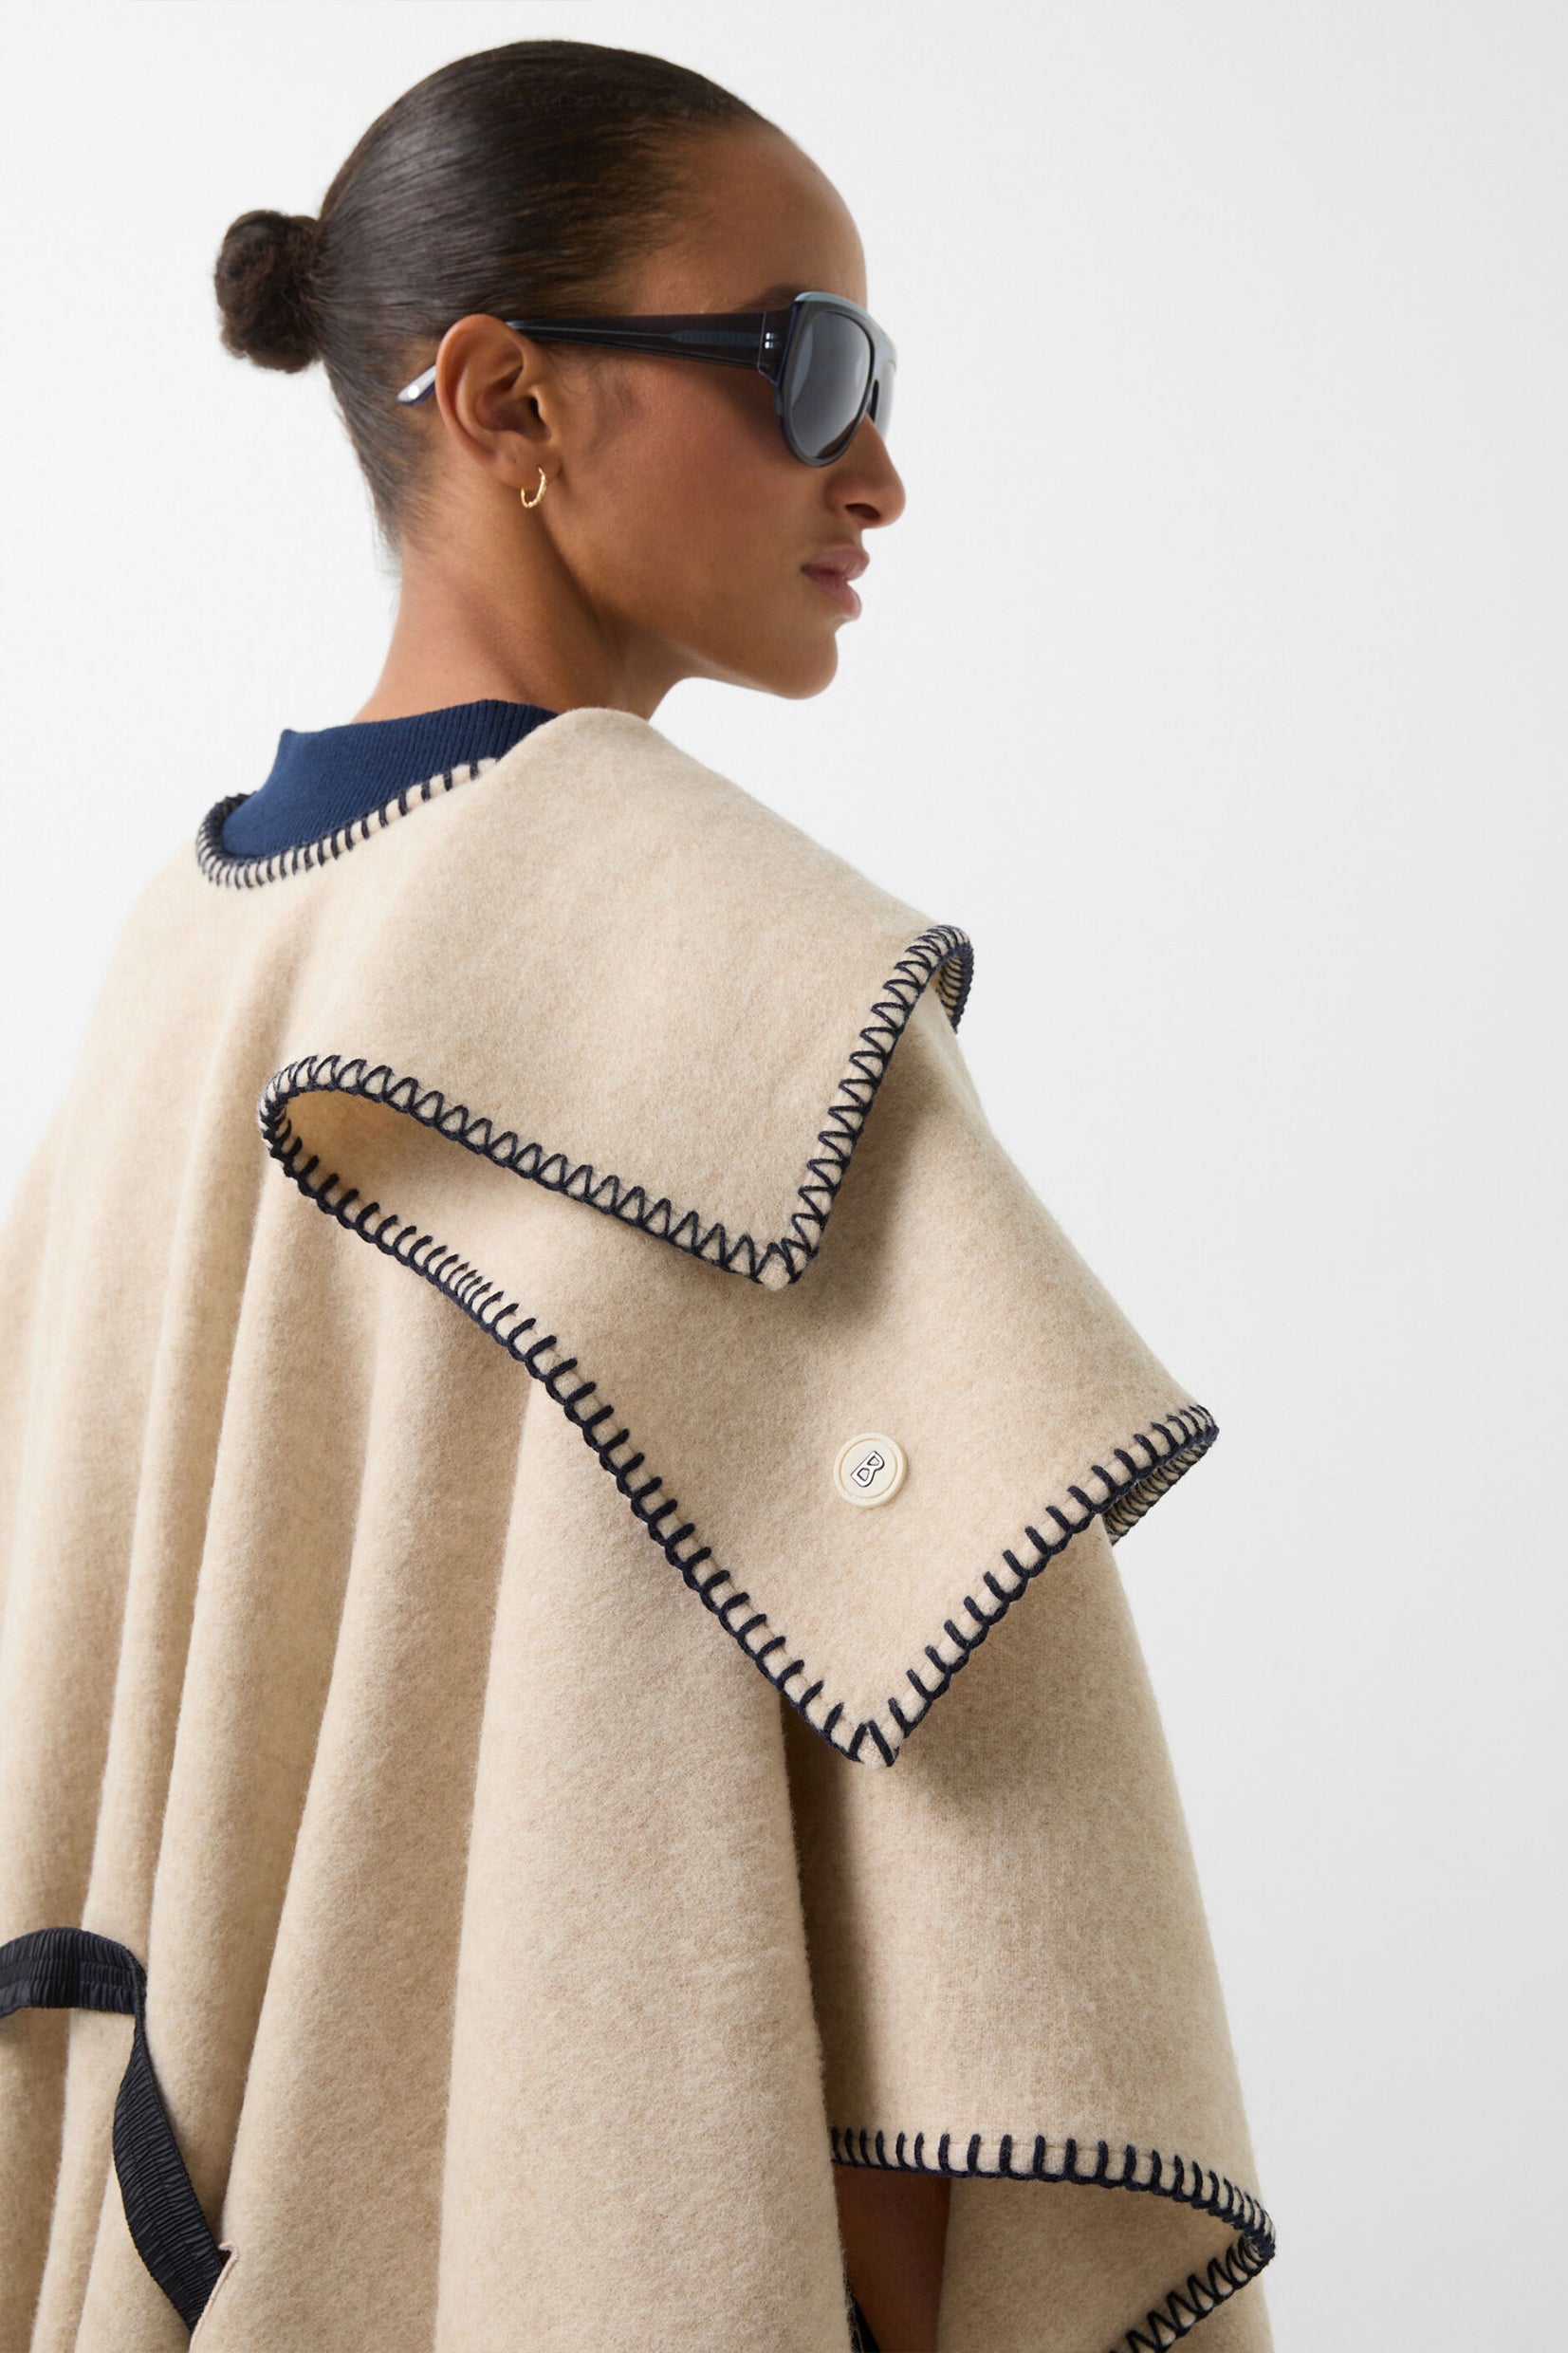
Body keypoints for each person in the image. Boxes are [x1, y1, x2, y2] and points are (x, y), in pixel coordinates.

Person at [0, 37, 1274, 2353]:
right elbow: (949, 1932)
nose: (875, 471)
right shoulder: (745, 975)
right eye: (807, 367)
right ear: (508, 401)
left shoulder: (176, 960)